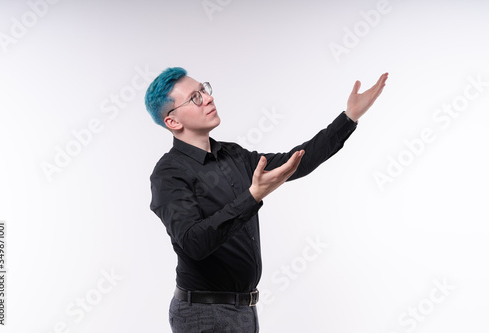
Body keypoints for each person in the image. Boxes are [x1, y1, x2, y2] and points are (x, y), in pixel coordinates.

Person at [145, 67, 388, 332]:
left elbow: (296, 162)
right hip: (203, 314)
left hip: (245, 310)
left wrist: (349, 117)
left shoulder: (233, 155)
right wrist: (252, 197)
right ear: (173, 122)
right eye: (194, 97)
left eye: (203, 89)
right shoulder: (169, 173)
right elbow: (194, 243)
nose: (208, 98)